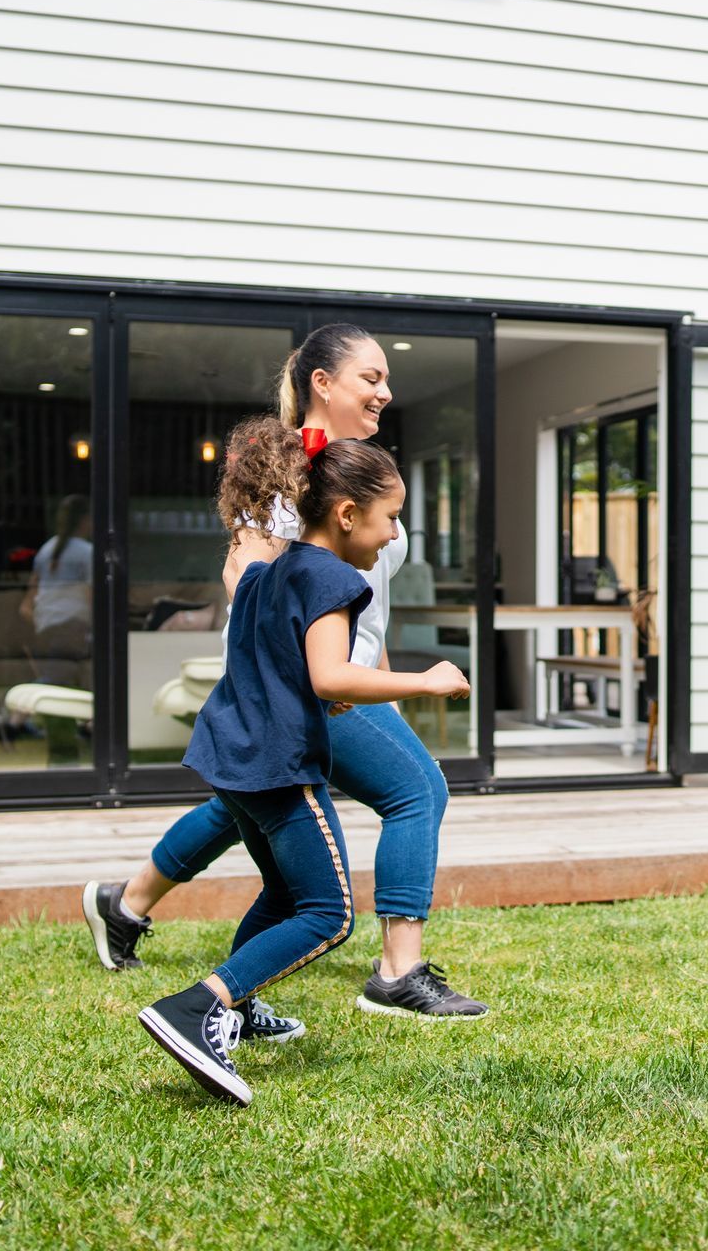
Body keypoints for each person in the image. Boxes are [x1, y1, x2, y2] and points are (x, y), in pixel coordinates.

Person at [84, 323, 488, 1030]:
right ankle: (398, 972)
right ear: (321, 383)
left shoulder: (357, 472)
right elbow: (244, 576)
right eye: (371, 377)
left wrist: (386, 684)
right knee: (415, 791)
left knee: (249, 808)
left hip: (343, 677)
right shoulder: (283, 473)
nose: (386, 391)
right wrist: (306, 679)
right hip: (308, 685)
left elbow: (372, 609)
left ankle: (126, 904)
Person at [139, 429, 471, 1105]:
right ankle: (198, 1007)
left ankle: (235, 1008)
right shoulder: (336, 580)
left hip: (229, 755)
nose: (393, 534)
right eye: (390, 518)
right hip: (277, 766)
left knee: (286, 895)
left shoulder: (274, 569)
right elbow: (329, 677)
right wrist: (426, 682)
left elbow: (279, 662)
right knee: (329, 912)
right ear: (348, 514)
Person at [22, 494, 93, 685]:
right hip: (72, 628)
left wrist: (41, 621)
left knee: (63, 675)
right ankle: (15, 711)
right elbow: (92, 598)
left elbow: (27, 603)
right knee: (56, 678)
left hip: (45, 626)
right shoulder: (87, 553)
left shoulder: (45, 551)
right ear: (85, 520)